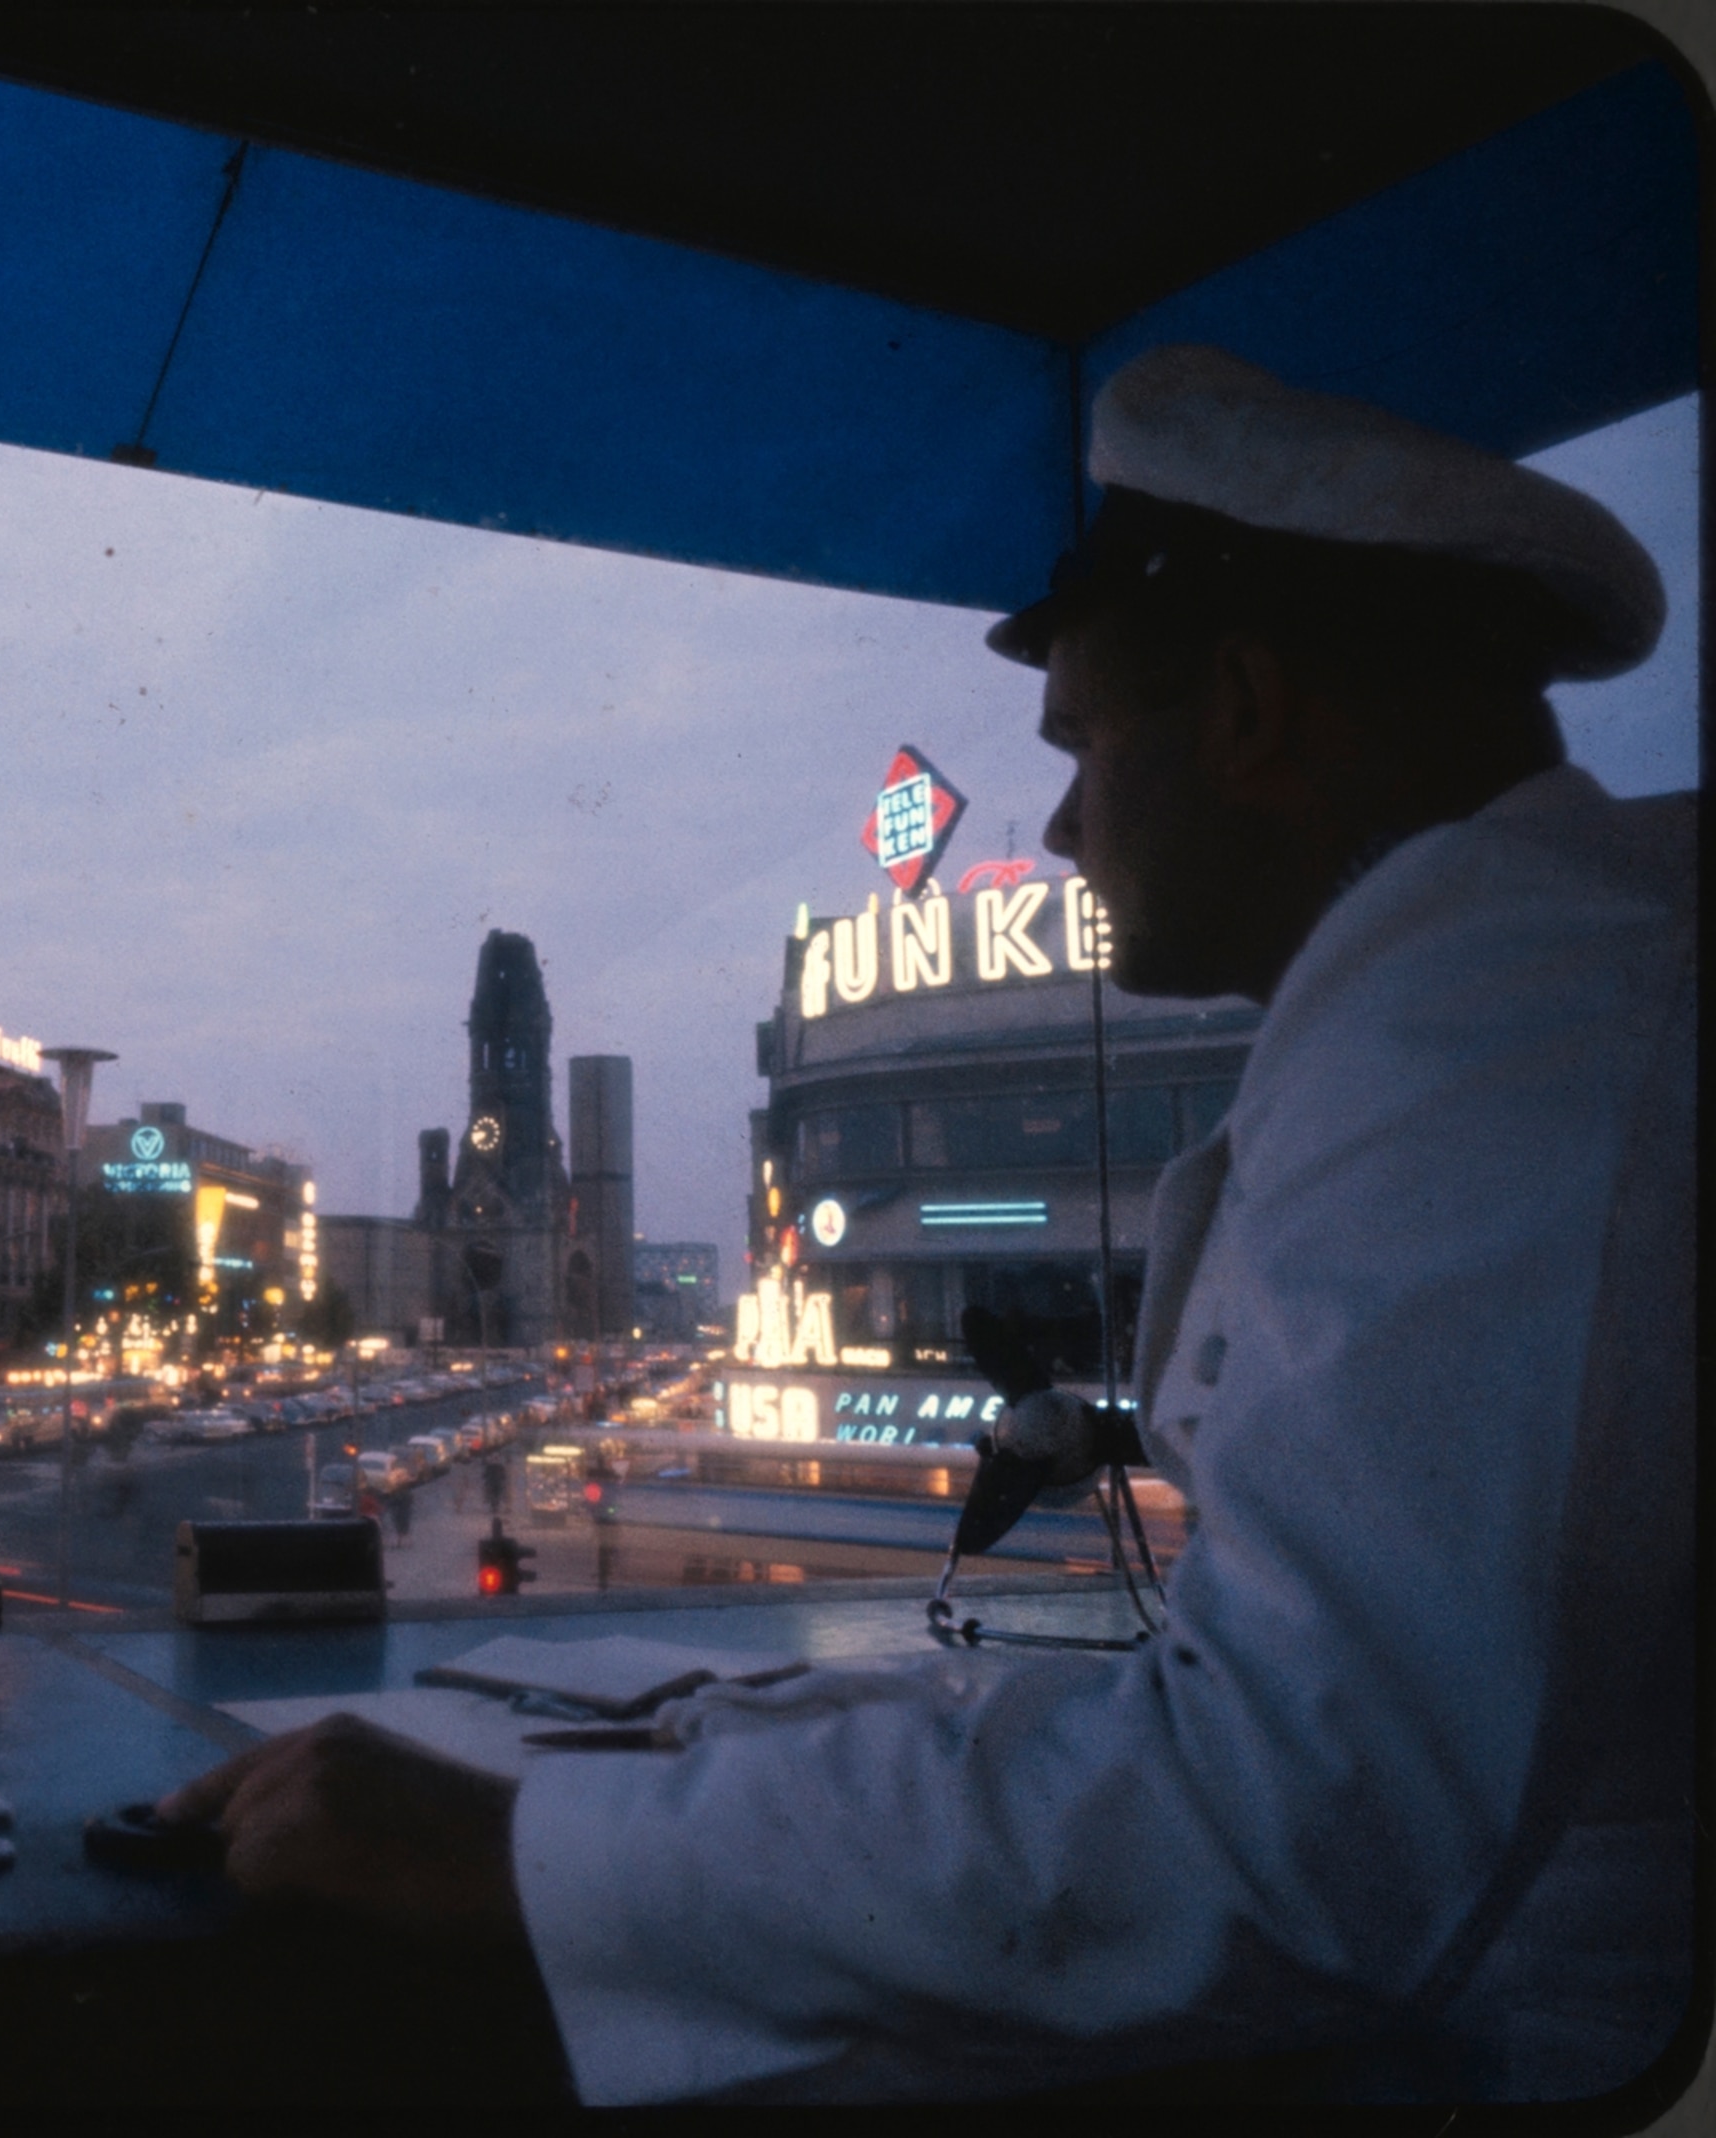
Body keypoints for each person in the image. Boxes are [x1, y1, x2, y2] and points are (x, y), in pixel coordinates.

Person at [160, 346, 1695, 2102]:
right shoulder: (1501, 999)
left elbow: (1287, 1820)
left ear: (1254, 712)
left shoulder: (1498, 1057)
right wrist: (713, 1745)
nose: (1055, 825)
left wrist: (533, 1850)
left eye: (1088, 746)